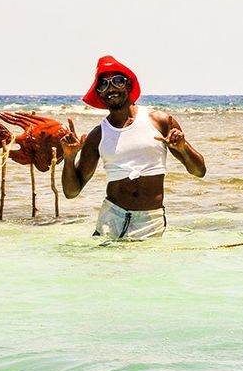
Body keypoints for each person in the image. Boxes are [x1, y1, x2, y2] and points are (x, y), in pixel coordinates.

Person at [61, 56, 206, 239]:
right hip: (111, 219)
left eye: (117, 81)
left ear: (128, 85)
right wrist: (69, 158)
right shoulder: (98, 135)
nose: (111, 88)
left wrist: (183, 148)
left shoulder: (160, 121)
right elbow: (71, 192)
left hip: (150, 222)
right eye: (103, 84)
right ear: (99, 94)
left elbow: (199, 171)